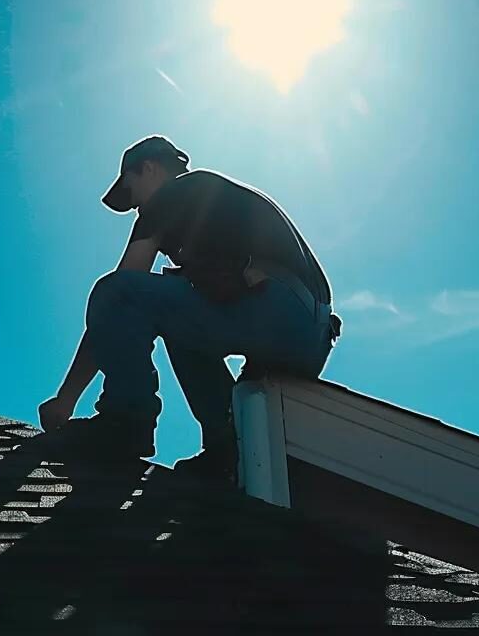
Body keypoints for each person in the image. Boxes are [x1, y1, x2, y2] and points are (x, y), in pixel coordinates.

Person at [37, 134, 341, 484]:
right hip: (311, 332)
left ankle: (126, 421)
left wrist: (66, 398)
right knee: (179, 315)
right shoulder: (214, 200)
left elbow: (119, 297)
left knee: (117, 292)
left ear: (149, 169)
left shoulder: (172, 195)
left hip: (278, 305)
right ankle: (229, 452)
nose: (136, 209)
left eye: (132, 193)